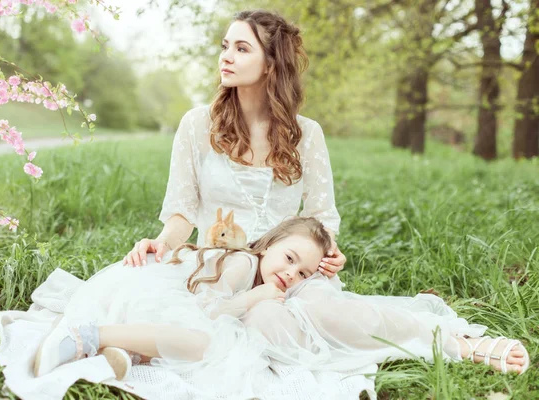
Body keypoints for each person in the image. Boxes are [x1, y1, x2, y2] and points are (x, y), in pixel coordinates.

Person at [26, 217, 528, 400]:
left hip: (203, 312)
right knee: (206, 345)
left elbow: (316, 233)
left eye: (304, 272)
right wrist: (258, 295)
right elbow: (212, 313)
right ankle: (96, 336)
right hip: (182, 304)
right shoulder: (245, 266)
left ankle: (120, 350)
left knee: (209, 346)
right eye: (288, 259)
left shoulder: (278, 274)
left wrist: (301, 278)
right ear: (267, 246)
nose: (292, 274)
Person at [122, 9, 347, 277]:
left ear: (270, 64)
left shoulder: (306, 133)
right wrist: (162, 243)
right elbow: (182, 213)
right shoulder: (198, 124)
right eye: (225, 46)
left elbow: (320, 218)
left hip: (281, 275)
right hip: (215, 271)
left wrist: (328, 253)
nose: (226, 57)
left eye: (242, 49)